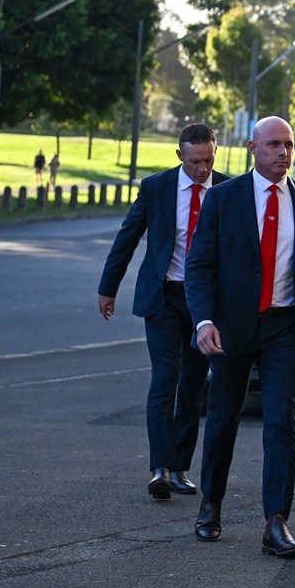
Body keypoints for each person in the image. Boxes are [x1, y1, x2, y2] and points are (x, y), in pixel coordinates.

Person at [184, 116, 295, 558]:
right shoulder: (223, 198)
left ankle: (276, 522)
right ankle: (211, 504)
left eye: (289, 145)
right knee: (223, 417)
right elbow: (199, 266)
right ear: (252, 148)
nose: (283, 153)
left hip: (284, 327)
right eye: (273, 145)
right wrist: (204, 320)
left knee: (281, 422)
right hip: (231, 326)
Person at [97, 123, 230, 500]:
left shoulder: (228, 189)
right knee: (164, 380)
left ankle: (179, 467)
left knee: (192, 386)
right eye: (194, 161)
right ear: (179, 155)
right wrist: (108, 288)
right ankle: (159, 468)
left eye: (208, 160)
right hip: (164, 298)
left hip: (206, 304)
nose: (202, 169)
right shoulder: (157, 188)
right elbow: (127, 237)